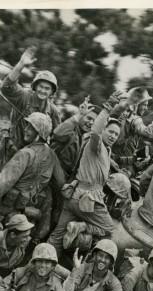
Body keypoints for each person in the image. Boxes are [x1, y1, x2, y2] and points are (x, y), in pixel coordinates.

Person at [47, 91, 128, 256]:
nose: (113, 136)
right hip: (88, 198)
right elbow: (96, 131)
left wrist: (120, 111)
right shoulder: (95, 145)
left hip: (73, 197)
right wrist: (108, 107)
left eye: (116, 134)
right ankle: (81, 227)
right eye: (110, 132)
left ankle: (46, 257)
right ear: (103, 130)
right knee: (109, 229)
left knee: (57, 236)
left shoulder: (105, 150)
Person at [0, 112, 64, 243]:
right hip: (32, 212)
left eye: (31, 128)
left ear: (39, 133)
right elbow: (61, 182)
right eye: (27, 126)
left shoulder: (25, 154)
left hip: (9, 210)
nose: (25, 129)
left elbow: (3, 182)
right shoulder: (51, 155)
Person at [0, 46, 61, 166]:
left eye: (47, 88)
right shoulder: (24, 96)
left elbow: (57, 135)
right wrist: (21, 64)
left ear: (51, 92)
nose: (43, 91)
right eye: (41, 87)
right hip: (13, 151)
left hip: (34, 158)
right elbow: (7, 87)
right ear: (35, 86)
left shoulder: (53, 111)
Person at [111, 87, 153, 176]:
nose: (146, 108)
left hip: (113, 161)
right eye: (144, 105)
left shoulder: (121, 115)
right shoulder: (135, 119)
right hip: (123, 166)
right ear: (137, 104)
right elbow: (148, 132)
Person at [50, 97, 98, 178]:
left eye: (94, 121)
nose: (91, 123)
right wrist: (79, 115)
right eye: (89, 118)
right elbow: (57, 133)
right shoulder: (70, 130)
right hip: (51, 175)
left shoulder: (84, 137)